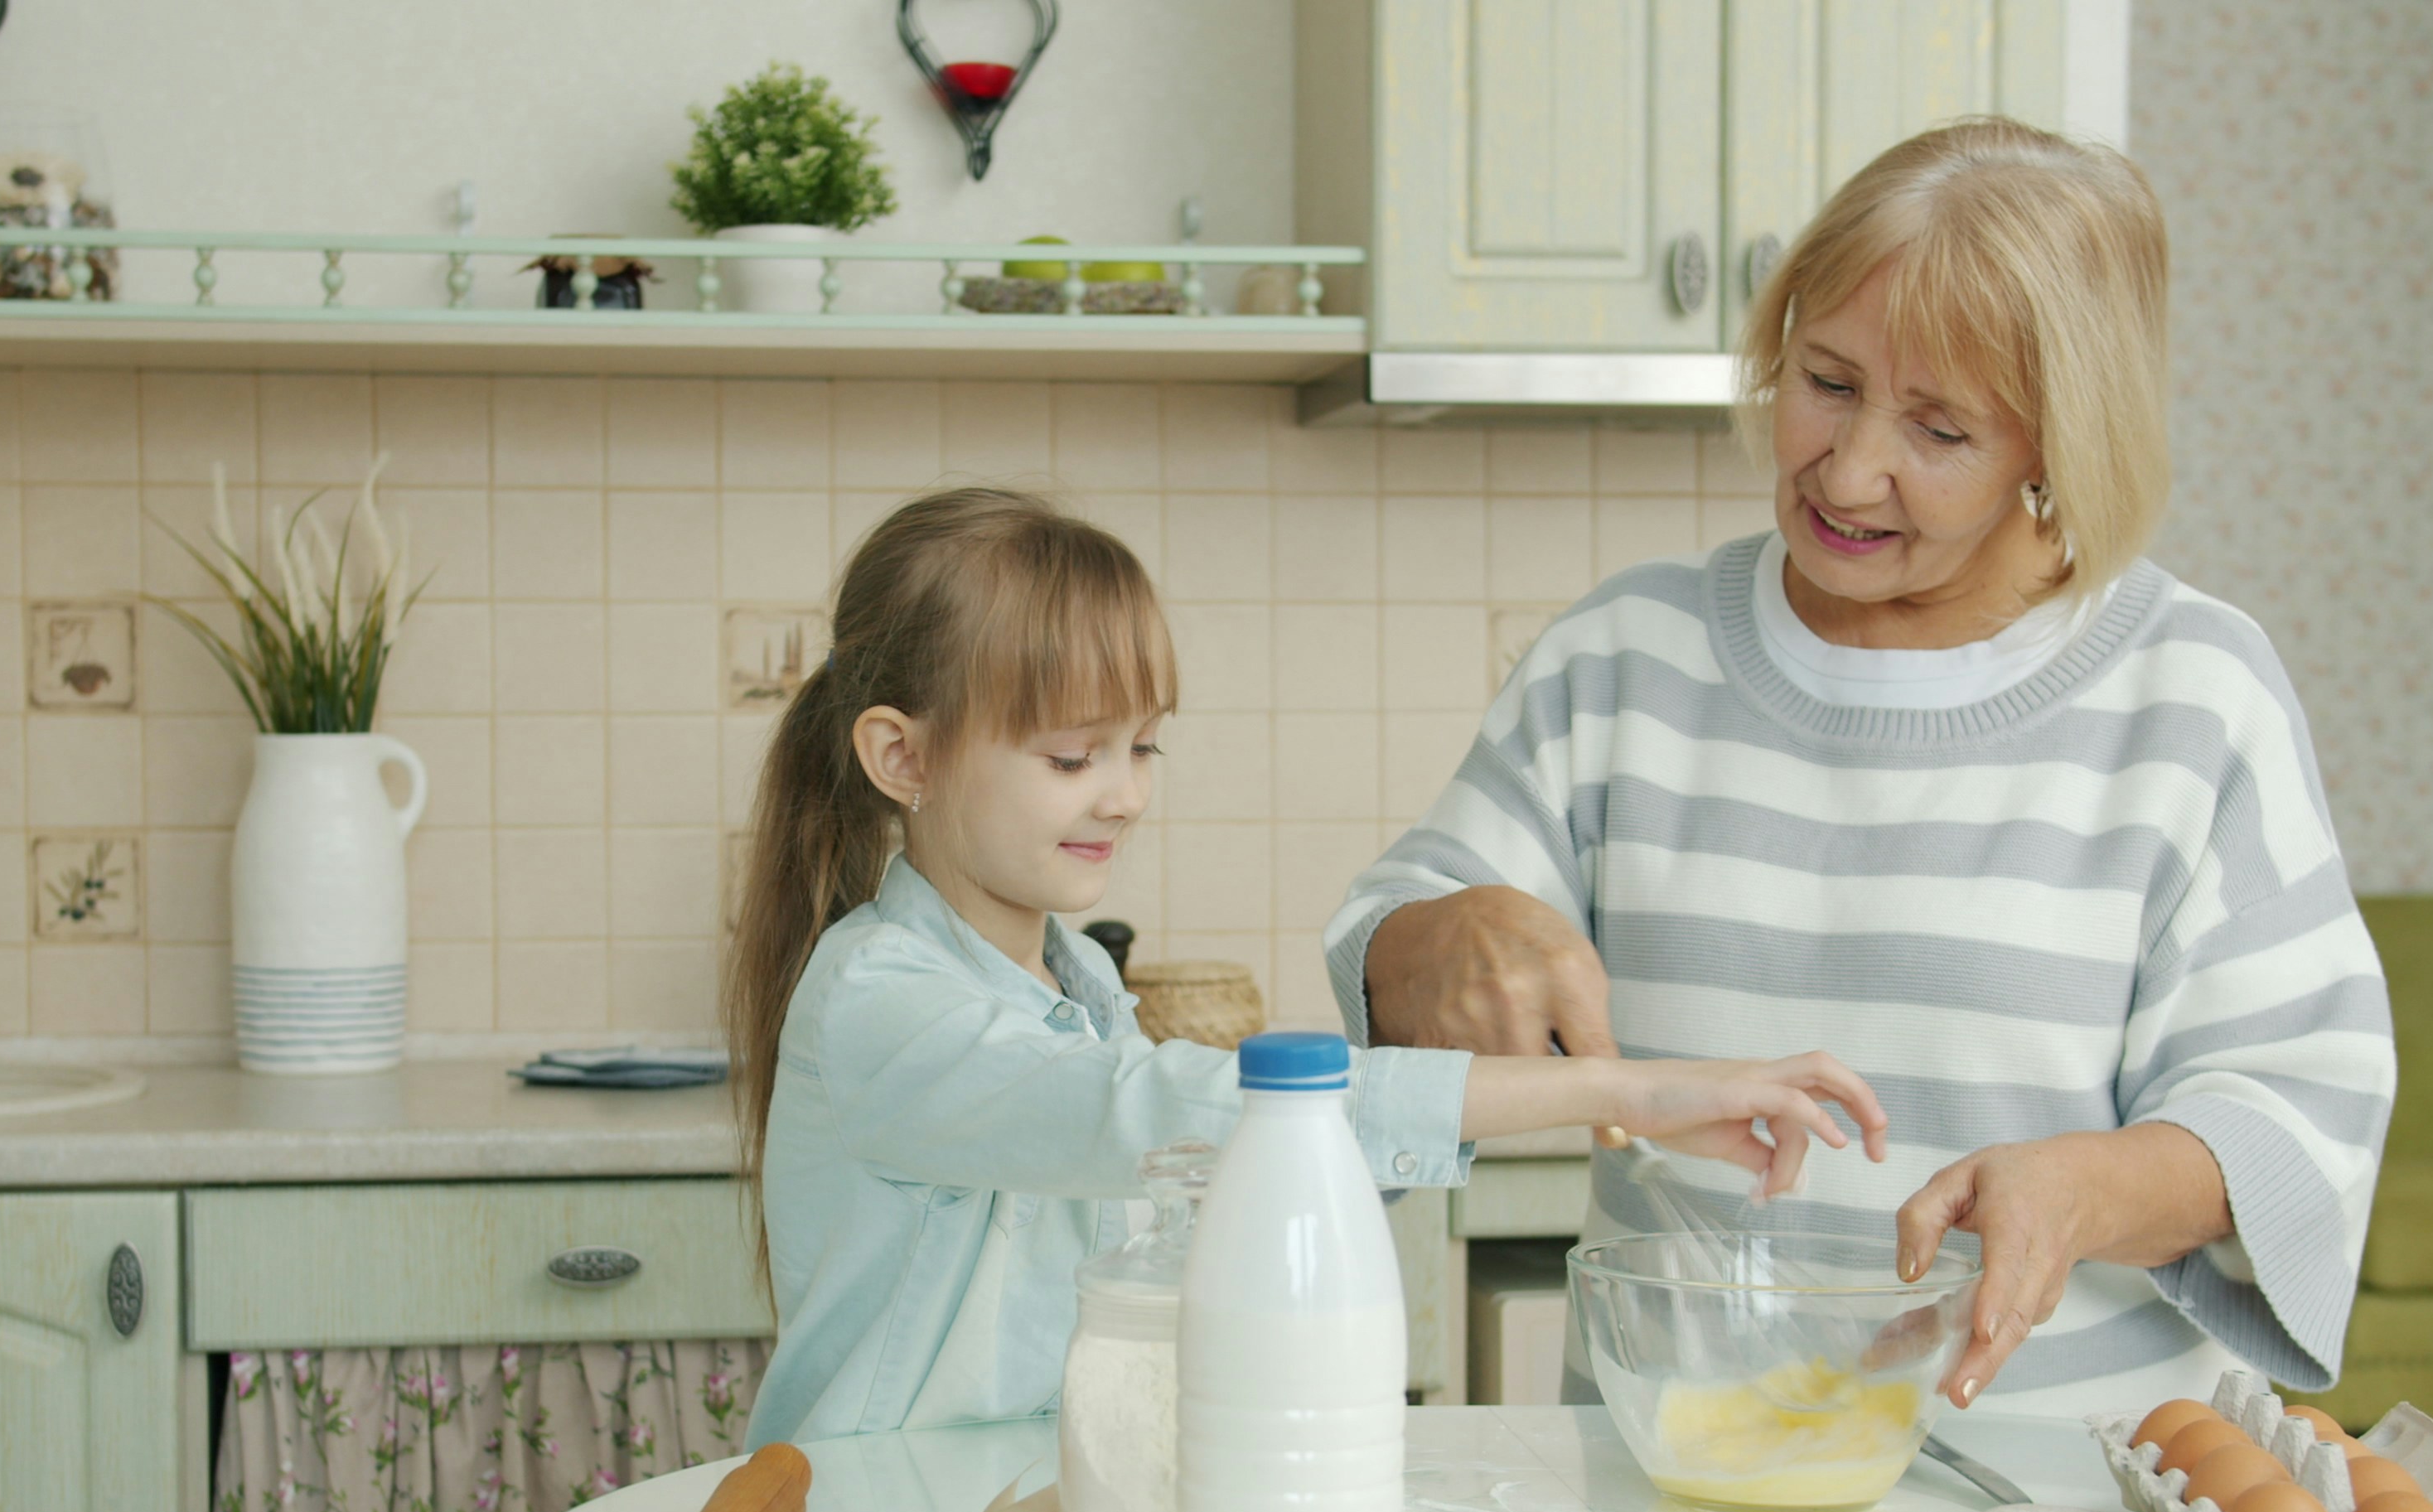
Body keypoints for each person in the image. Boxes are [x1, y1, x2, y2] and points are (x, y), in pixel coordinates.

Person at [1331, 118, 2397, 1416]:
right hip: (1668, 1475)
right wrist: (1437, 940)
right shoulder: (1622, 657)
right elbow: (1392, 966)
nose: (1848, 469)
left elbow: (2296, 1106)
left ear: (2059, 445)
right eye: (1828, 382)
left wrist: (2087, 1189)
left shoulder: (2193, 696)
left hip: (2054, 1493)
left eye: (1939, 431)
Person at [728, 487, 1892, 1447]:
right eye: (1073, 757)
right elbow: (1152, 1112)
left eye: (1143, 747)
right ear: (902, 757)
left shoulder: (1078, 982)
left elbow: (1202, 1170)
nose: (1124, 795)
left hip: (1025, 1511)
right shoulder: (877, 1000)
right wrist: (1619, 1086)